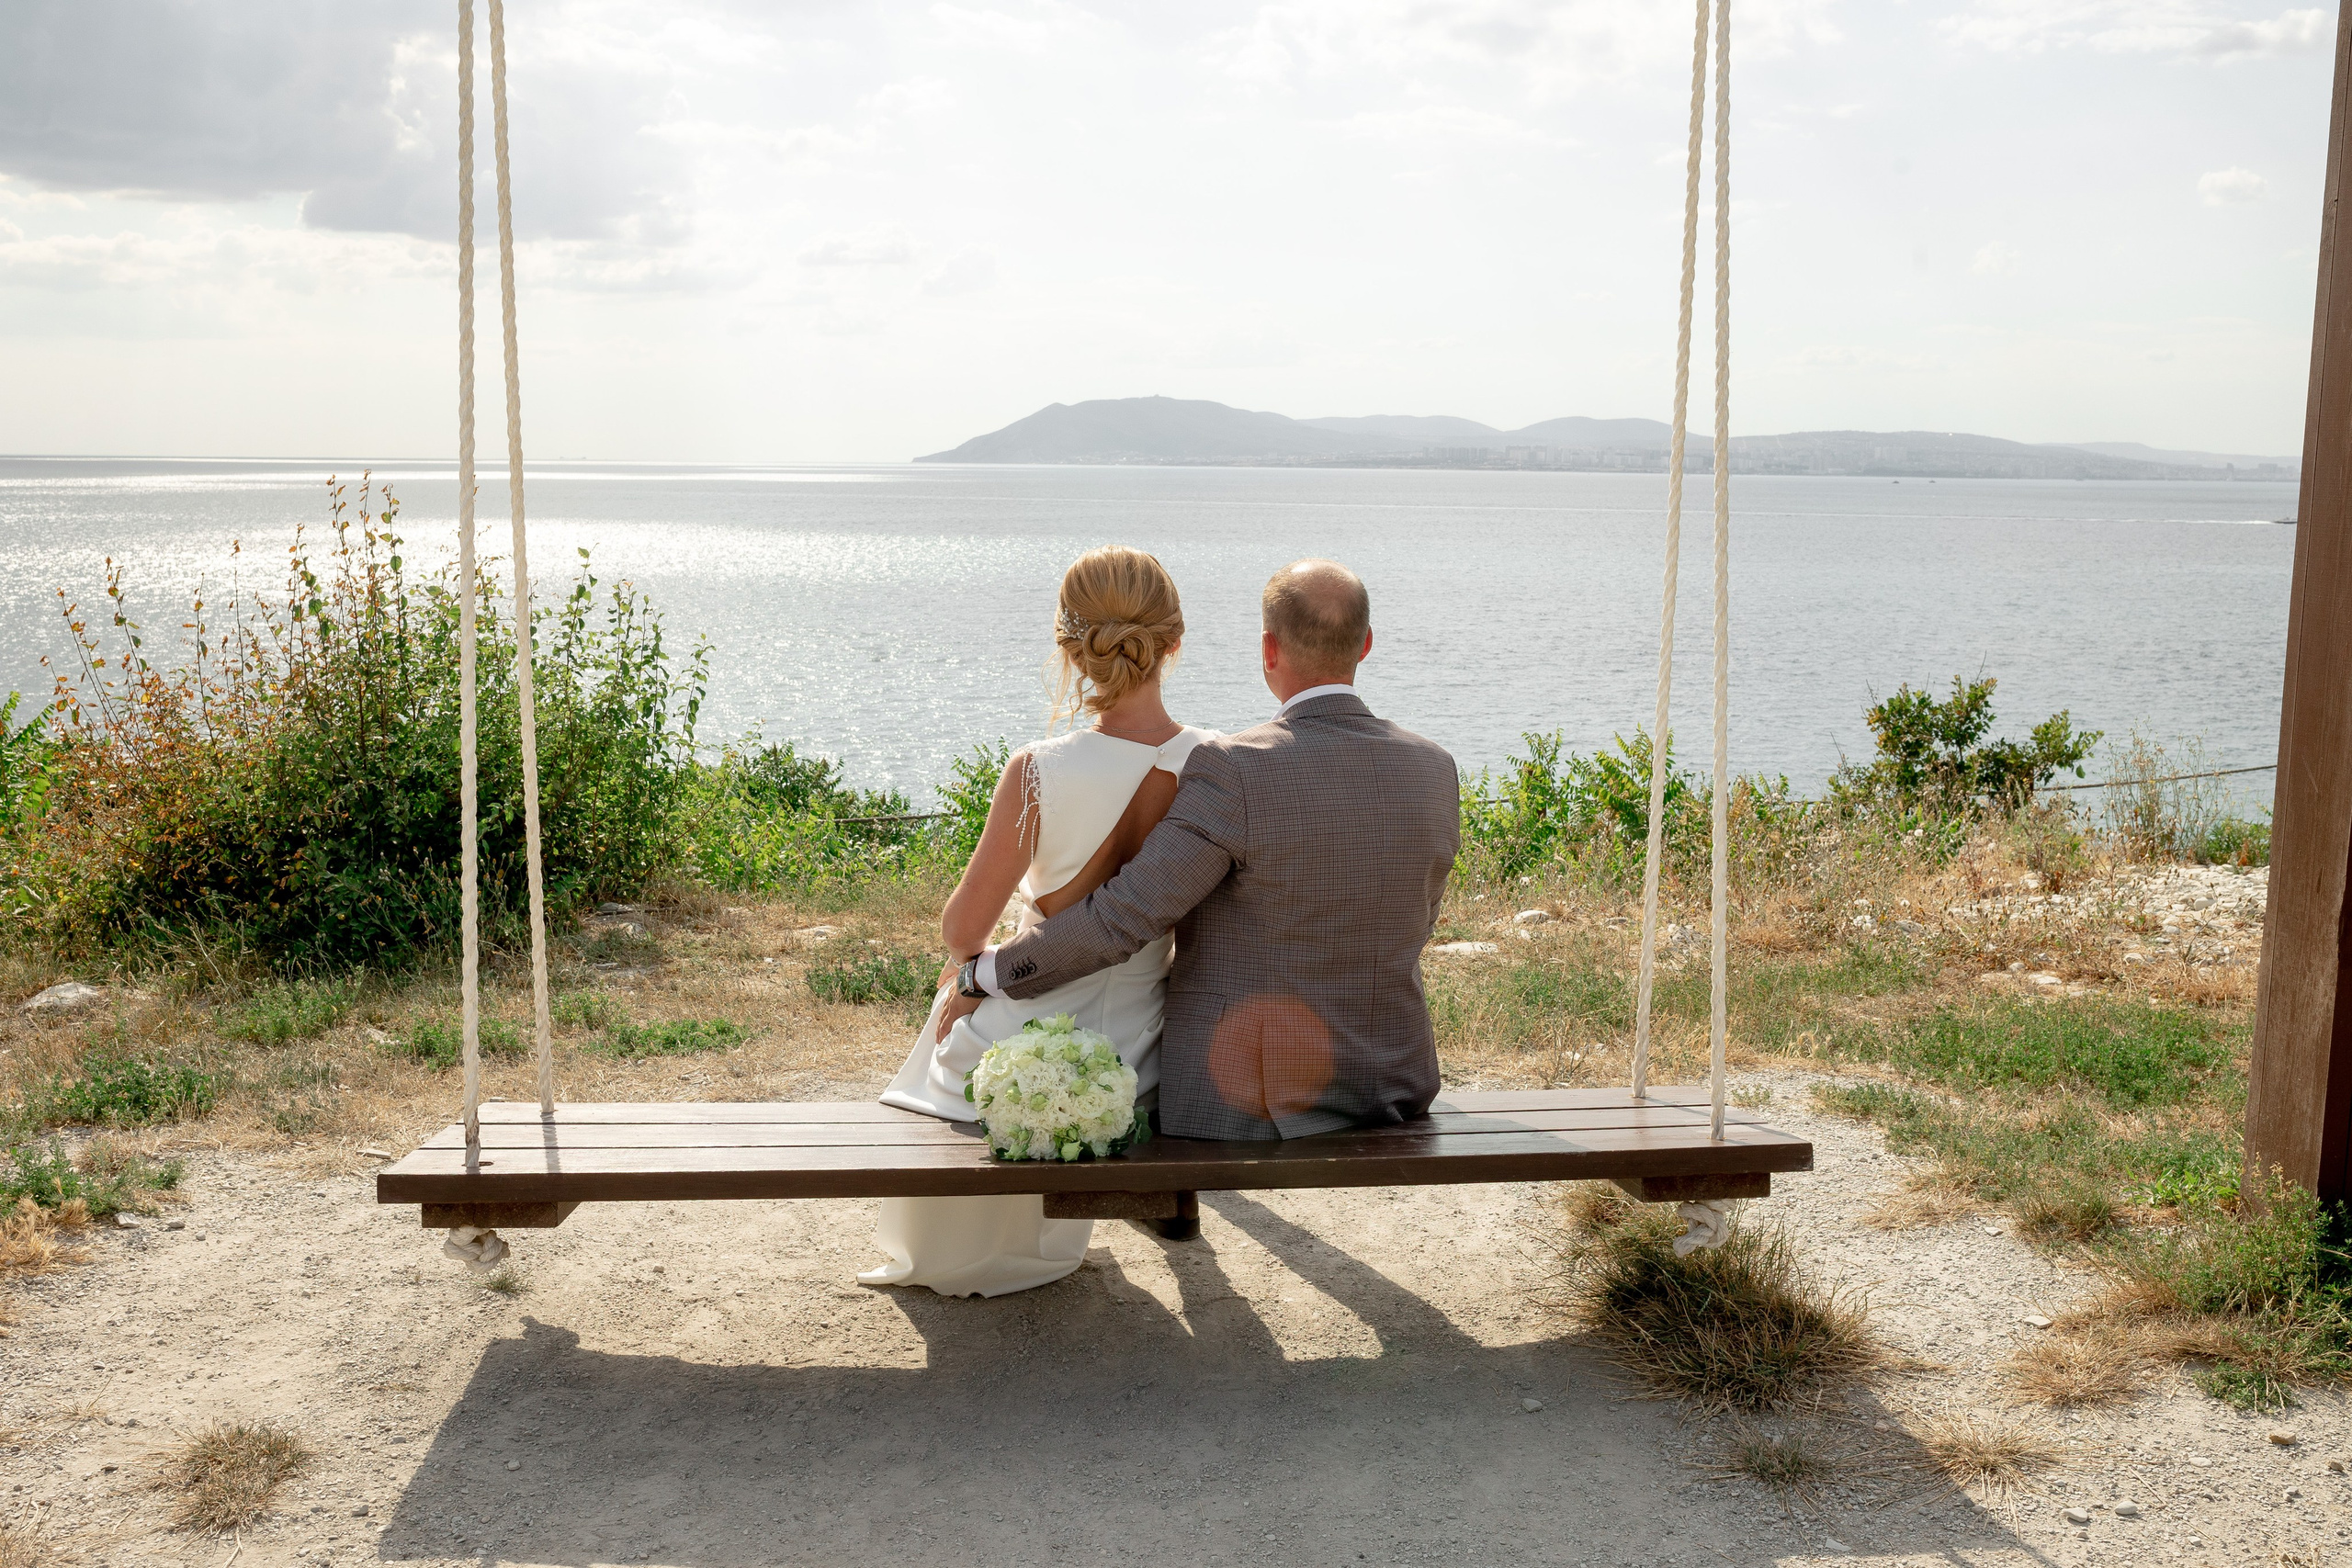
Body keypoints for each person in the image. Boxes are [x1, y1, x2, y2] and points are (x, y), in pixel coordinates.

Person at [935, 558, 1459, 1155]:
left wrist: (981, 972)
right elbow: (1412, 916)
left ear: (1268, 648)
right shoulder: (1435, 767)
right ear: (1365, 645)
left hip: (1258, 1101)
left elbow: (1122, 918)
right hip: (1396, 1079)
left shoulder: (1235, 769)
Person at [859, 546, 1210, 1297]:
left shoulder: (1037, 770)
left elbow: (961, 930)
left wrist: (1000, 947)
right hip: (1143, 1054)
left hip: (1027, 1031)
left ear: (1070, 647)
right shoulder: (1216, 765)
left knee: (959, 986)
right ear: (1174, 642)